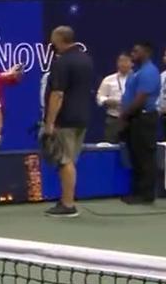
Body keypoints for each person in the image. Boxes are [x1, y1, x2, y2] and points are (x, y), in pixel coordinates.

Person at [41, 26, 93, 216]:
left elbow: (58, 95)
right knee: (70, 159)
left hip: (66, 119)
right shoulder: (85, 59)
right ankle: (66, 199)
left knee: (65, 161)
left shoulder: (62, 63)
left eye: (53, 38)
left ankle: (68, 204)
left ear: (60, 39)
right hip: (82, 118)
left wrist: (50, 123)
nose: (51, 42)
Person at [119, 41, 160, 205]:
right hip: (134, 119)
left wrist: (124, 115)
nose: (133, 53)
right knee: (135, 156)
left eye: (136, 51)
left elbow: (141, 98)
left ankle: (146, 194)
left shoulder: (149, 72)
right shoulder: (136, 72)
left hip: (144, 118)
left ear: (146, 52)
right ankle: (137, 192)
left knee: (145, 156)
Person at [97, 53, 133, 143]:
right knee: (110, 145)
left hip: (133, 119)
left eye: (126, 61)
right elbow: (99, 96)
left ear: (132, 63)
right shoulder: (109, 79)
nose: (123, 64)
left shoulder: (137, 79)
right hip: (114, 119)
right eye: (121, 61)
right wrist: (107, 101)